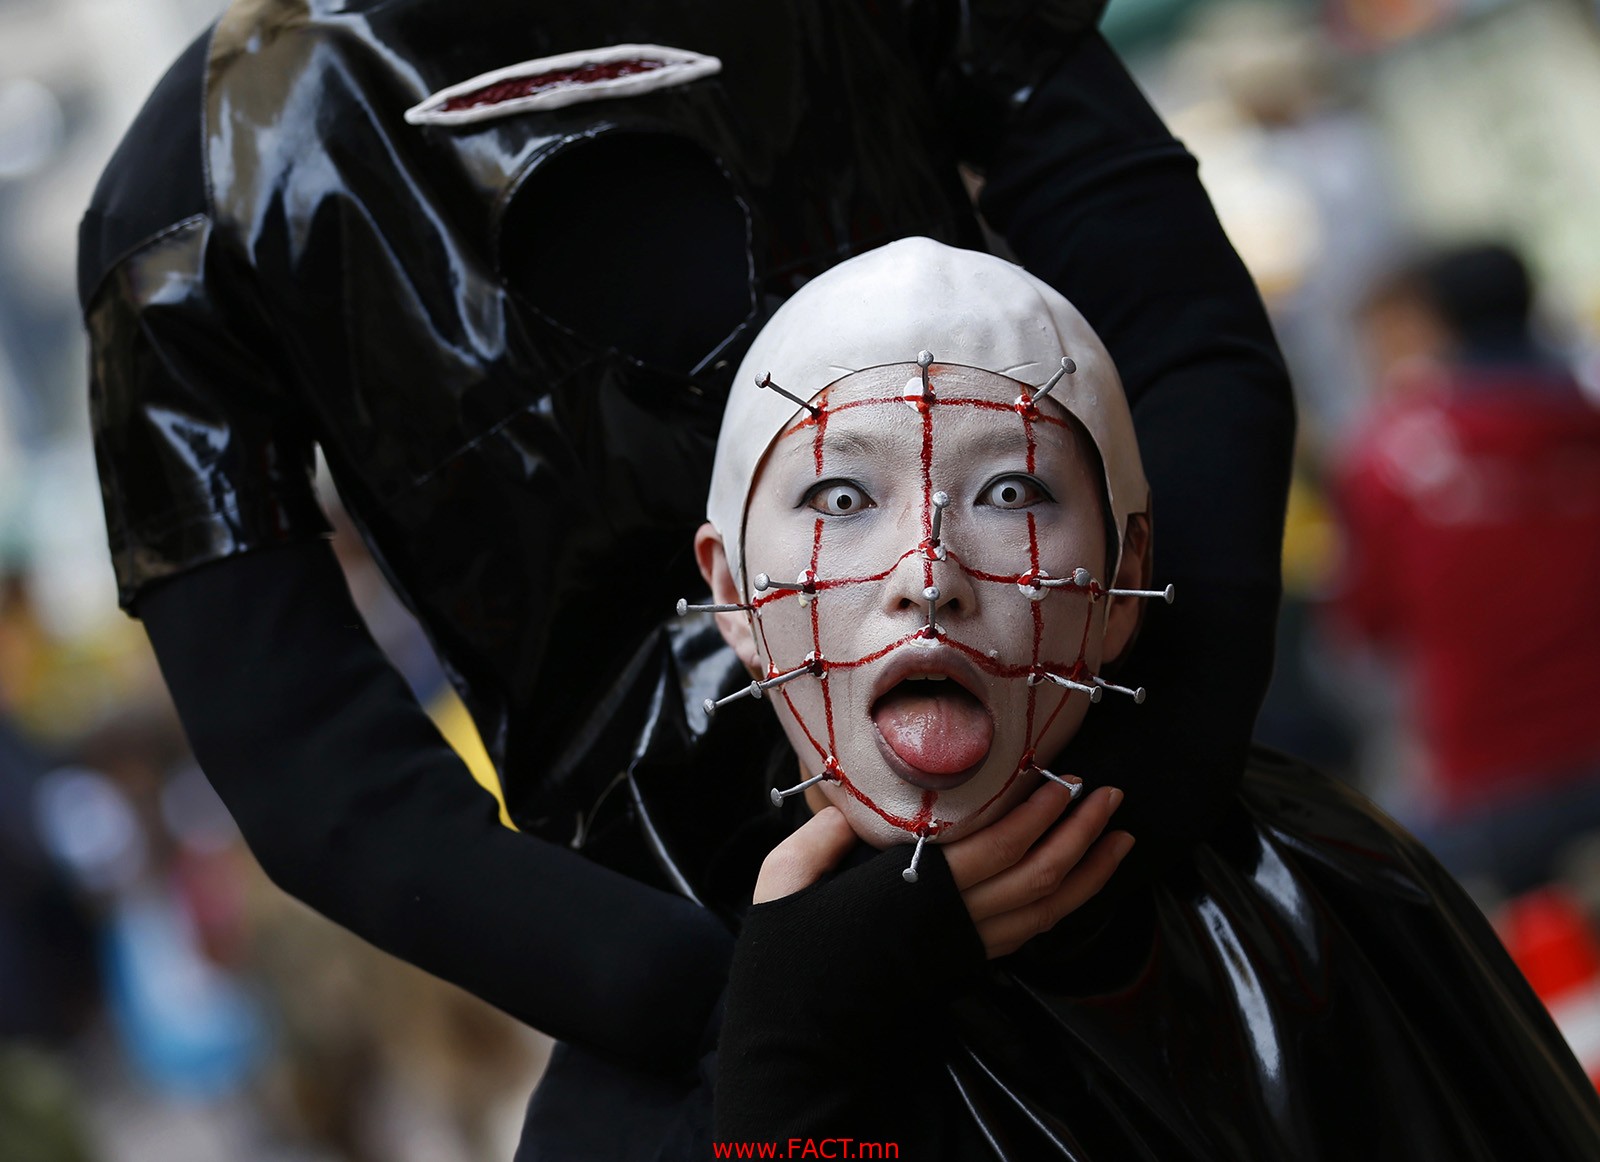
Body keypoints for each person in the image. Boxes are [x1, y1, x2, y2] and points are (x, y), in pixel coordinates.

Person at [82, 5, 1297, 1155]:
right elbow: (308, 764)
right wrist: (740, 990)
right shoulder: (188, 189)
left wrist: (1139, 785)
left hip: (1090, 886)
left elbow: (1186, 334)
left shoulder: (192, 177)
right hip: (753, 1002)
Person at [694, 238, 1600, 1159]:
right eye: (842, 499)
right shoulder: (655, 1046)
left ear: (1127, 573)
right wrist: (787, 1053)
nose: (930, 577)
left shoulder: (1324, 911)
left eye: (1011, 491)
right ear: (728, 590)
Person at [1332, 243, 1600, 895]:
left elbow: (1363, 632)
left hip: (1490, 790)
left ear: (1436, 324)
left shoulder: (1389, 457)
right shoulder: (1584, 423)